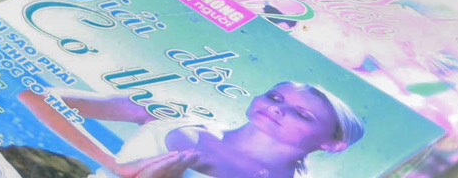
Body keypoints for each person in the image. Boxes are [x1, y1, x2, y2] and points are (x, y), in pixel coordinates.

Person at [18, 82, 364, 178]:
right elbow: (34, 98)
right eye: (275, 95)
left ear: (333, 145)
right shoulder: (181, 115)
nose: (277, 107)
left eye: (302, 114)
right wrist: (113, 163)